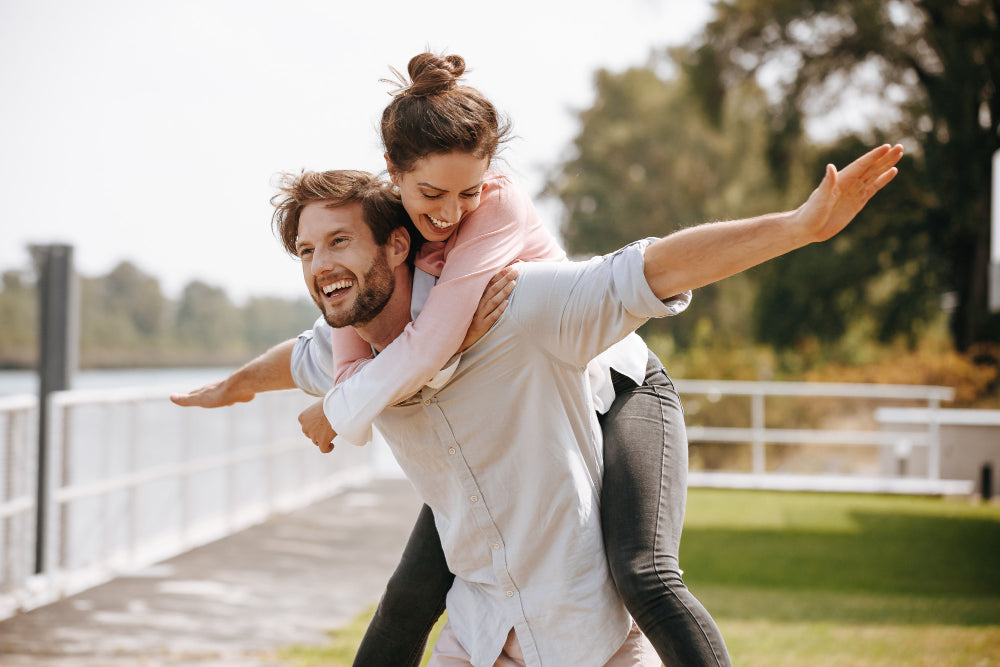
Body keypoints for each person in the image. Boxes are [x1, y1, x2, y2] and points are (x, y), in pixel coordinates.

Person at [289, 137, 899, 665]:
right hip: (506, 518)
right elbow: (298, 355)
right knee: (404, 601)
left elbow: (650, 268)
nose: (449, 212)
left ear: (394, 246)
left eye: (340, 241)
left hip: (622, 386)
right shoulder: (360, 311)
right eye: (308, 251)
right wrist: (231, 387)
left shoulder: (510, 295)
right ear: (401, 181)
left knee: (645, 574)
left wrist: (797, 227)